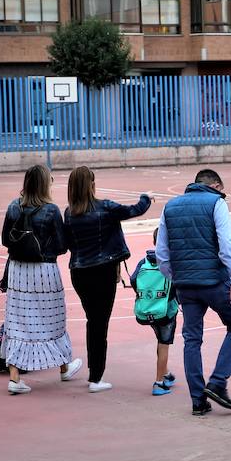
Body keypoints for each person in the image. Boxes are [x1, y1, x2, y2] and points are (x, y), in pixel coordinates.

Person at [155, 169, 231, 417]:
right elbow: (227, 244)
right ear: (216, 185)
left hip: (186, 285)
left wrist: (176, 276)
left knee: (192, 339)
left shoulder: (170, 207)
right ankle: (217, 381)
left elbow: (162, 252)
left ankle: (198, 400)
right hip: (215, 282)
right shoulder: (217, 203)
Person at [63, 166, 152, 393]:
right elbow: (134, 210)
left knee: (93, 321)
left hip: (80, 272)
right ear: (92, 185)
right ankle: (96, 377)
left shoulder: (69, 212)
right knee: (99, 324)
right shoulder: (105, 208)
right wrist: (146, 198)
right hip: (103, 272)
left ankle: (95, 373)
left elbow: (68, 244)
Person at [0, 165, 82, 395]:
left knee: (17, 321)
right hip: (44, 271)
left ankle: (15, 377)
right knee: (52, 319)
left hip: (18, 271)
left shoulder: (13, 207)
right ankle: (63, 366)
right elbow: (61, 245)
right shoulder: (51, 210)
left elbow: (6, 239)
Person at [130, 228, 179, 396]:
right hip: (167, 310)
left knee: (160, 339)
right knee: (164, 343)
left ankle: (165, 373)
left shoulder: (144, 261)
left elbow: (133, 280)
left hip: (149, 308)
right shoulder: (171, 261)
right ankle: (159, 383)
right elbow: (176, 284)